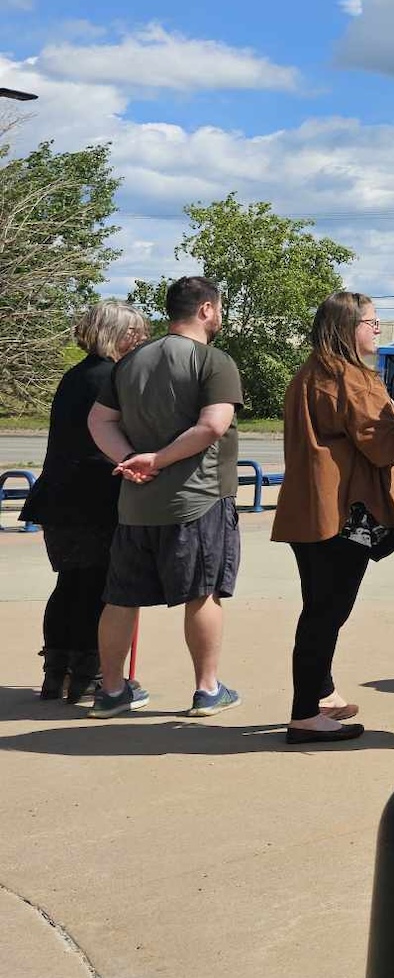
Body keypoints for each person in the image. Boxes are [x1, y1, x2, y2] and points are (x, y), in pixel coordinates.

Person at [86, 276, 244, 720]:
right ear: (207, 310)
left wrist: (131, 460)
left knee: (120, 598)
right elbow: (213, 425)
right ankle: (207, 689)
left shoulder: (131, 361)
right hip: (198, 500)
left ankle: (112, 690)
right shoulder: (213, 361)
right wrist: (158, 458)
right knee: (203, 592)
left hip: (135, 506)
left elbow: (99, 422)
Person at [273, 292, 394, 745]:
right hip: (344, 513)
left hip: (308, 510)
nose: (377, 328)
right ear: (347, 327)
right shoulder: (354, 379)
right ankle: (304, 714)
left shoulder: (309, 373)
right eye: (371, 321)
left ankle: (322, 695)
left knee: (317, 605)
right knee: (327, 612)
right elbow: (385, 446)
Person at [21, 301, 148, 705]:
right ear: (116, 333)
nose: (142, 339)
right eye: (135, 332)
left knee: (71, 584)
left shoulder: (74, 376)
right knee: (99, 588)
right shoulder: (113, 378)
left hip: (58, 497)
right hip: (96, 497)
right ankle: (90, 676)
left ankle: (57, 673)